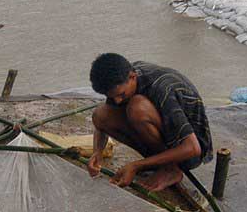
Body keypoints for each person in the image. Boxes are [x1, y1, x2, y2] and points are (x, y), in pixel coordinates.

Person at [86, 54, 213, 192]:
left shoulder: (162, 89)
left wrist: (136, 166)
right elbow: (103, 122)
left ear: (133, 77)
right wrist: (97, 152)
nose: (117, 101)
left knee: (137, 107)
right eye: (112, 97)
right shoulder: (124, 77)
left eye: (121, 95)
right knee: (100, 115)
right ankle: (159, 163)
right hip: (165, 136)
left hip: (189, 152)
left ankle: (171, 169)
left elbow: (193, 148)